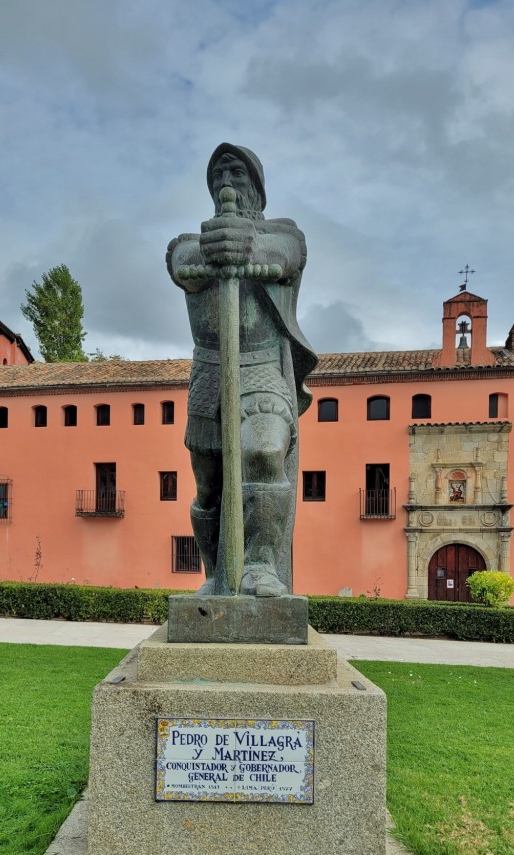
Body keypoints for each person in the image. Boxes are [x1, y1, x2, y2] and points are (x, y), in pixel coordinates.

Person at [166, 143, 317, 597]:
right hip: (210, 372)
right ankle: (217, 576)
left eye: (236, 171)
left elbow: (286, 254)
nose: (225, 181)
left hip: (263, 368)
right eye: (217, 173)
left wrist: (249, 245)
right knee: (209, 486)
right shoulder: (189, 243)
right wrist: (215, 249)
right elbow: (181, 263)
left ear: (256, 186)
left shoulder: (285, 234)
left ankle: (260, 566)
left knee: (265, 453)